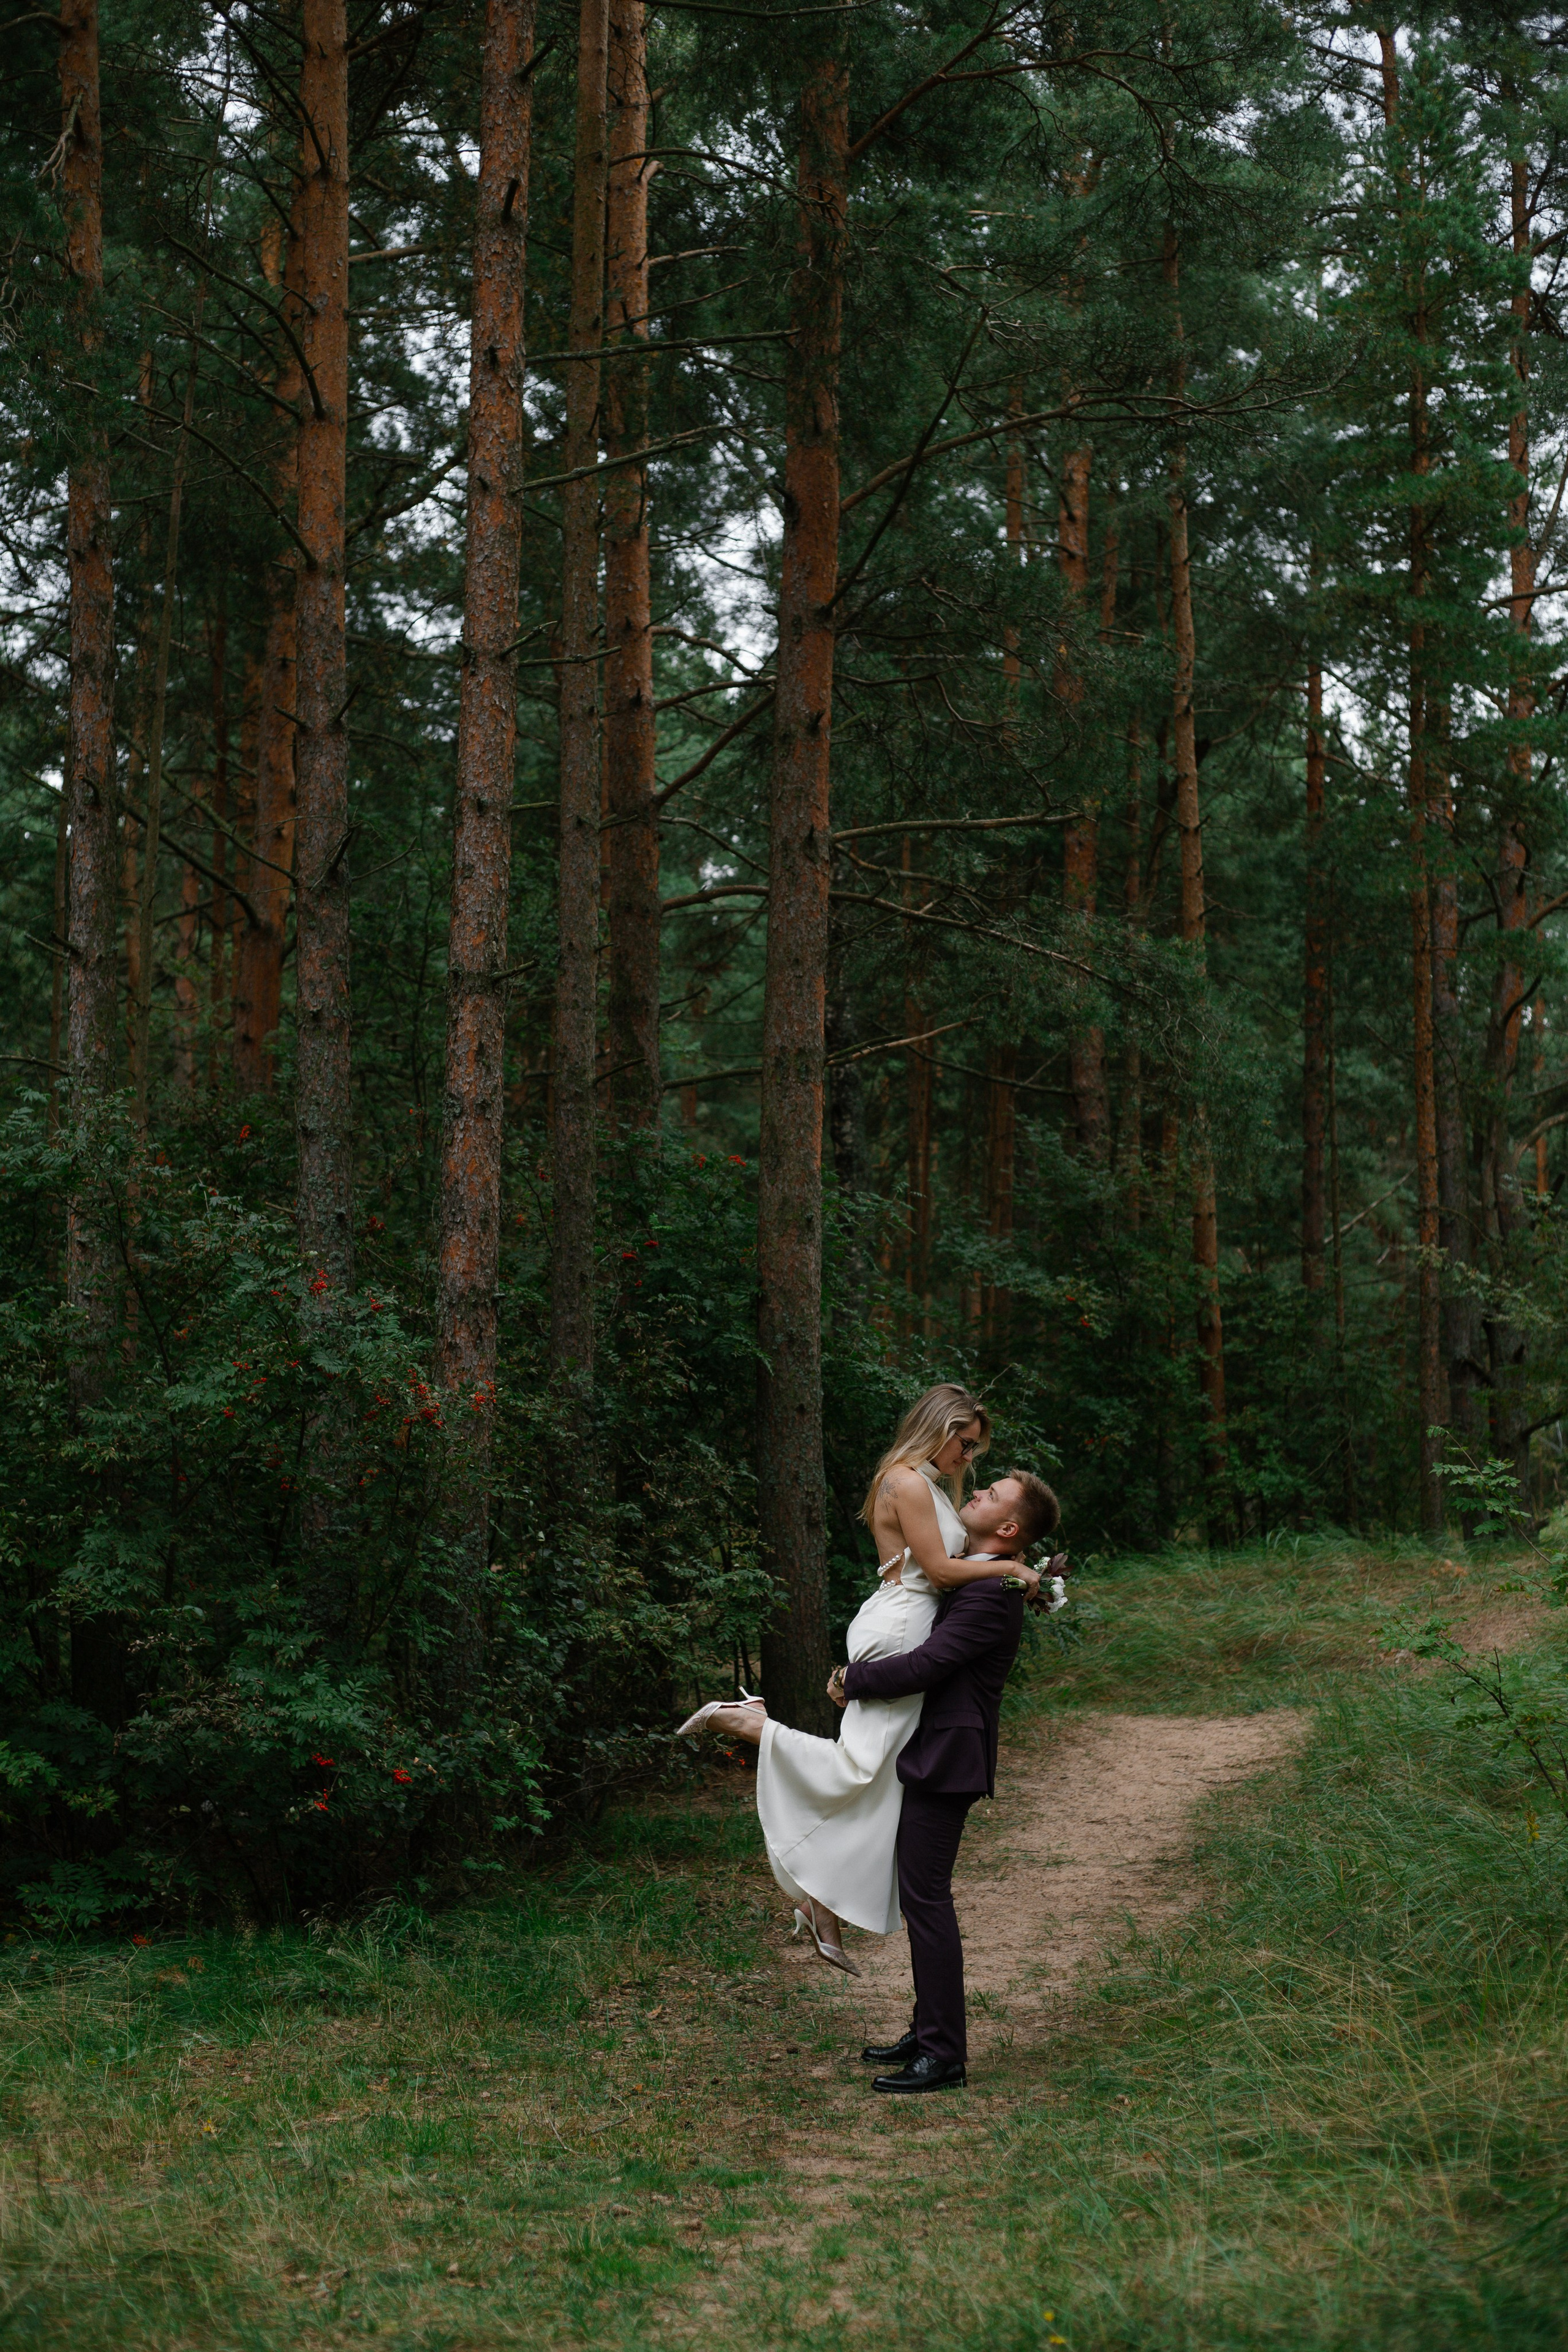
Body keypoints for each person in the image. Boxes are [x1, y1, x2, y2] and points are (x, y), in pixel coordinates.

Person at [677, 1384, 1057, 1975]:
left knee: (887, 1781)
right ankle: (749, 1723)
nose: (970, 1460)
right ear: (940, 1428)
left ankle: (822, 1899)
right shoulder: (906, 1481)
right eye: (967, 1444)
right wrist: (1011, 1568)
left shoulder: (929, 1484)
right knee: (861, 1765)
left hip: (912, 1620)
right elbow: (936, 1570)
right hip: (905, 1622)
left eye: (976, 1450)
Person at [830, 1458, 1059, 2092]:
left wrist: (854, 1680)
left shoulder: (993, 1592)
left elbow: (928, 1664)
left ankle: (944, 2054)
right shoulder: (977, 1579)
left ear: (1008, 1529)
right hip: (928, 1750)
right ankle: (927, 2028)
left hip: (946, 1760)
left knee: (928, 1900)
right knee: (919, 1897)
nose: (976, 1491)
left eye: (990, 1494)